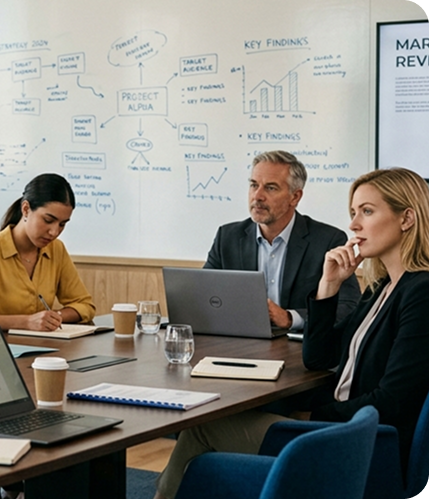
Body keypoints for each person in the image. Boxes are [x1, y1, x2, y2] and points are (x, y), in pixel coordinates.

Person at [155, 167, 429, 499]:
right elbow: (319, 358)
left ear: (407, 218)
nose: (354, 225)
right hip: (343, 430)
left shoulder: (420, 292)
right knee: (206, 436)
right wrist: (328, 286)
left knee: (202, 429)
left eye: (367, 212)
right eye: (353, 213)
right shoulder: (382, 287)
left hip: (361, 447)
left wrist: (313, 415)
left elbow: (394, 401)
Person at [204, 150, 360, 330]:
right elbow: (203, 296)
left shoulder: (327, 240)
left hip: (297, 344)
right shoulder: (228, 237)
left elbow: (348, 306)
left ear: (295, 197)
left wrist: (290, 318)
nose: (257, 196)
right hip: (240, 339)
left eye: (270, 188)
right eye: (254, 185)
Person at [0, 173, 95, 331]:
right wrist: (27, 322)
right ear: (26, 209)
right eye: (48, 220)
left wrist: (53, 318)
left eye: (62, 224)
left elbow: (85, 305)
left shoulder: (57, 249)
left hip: (43, 344)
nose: (54, 232)